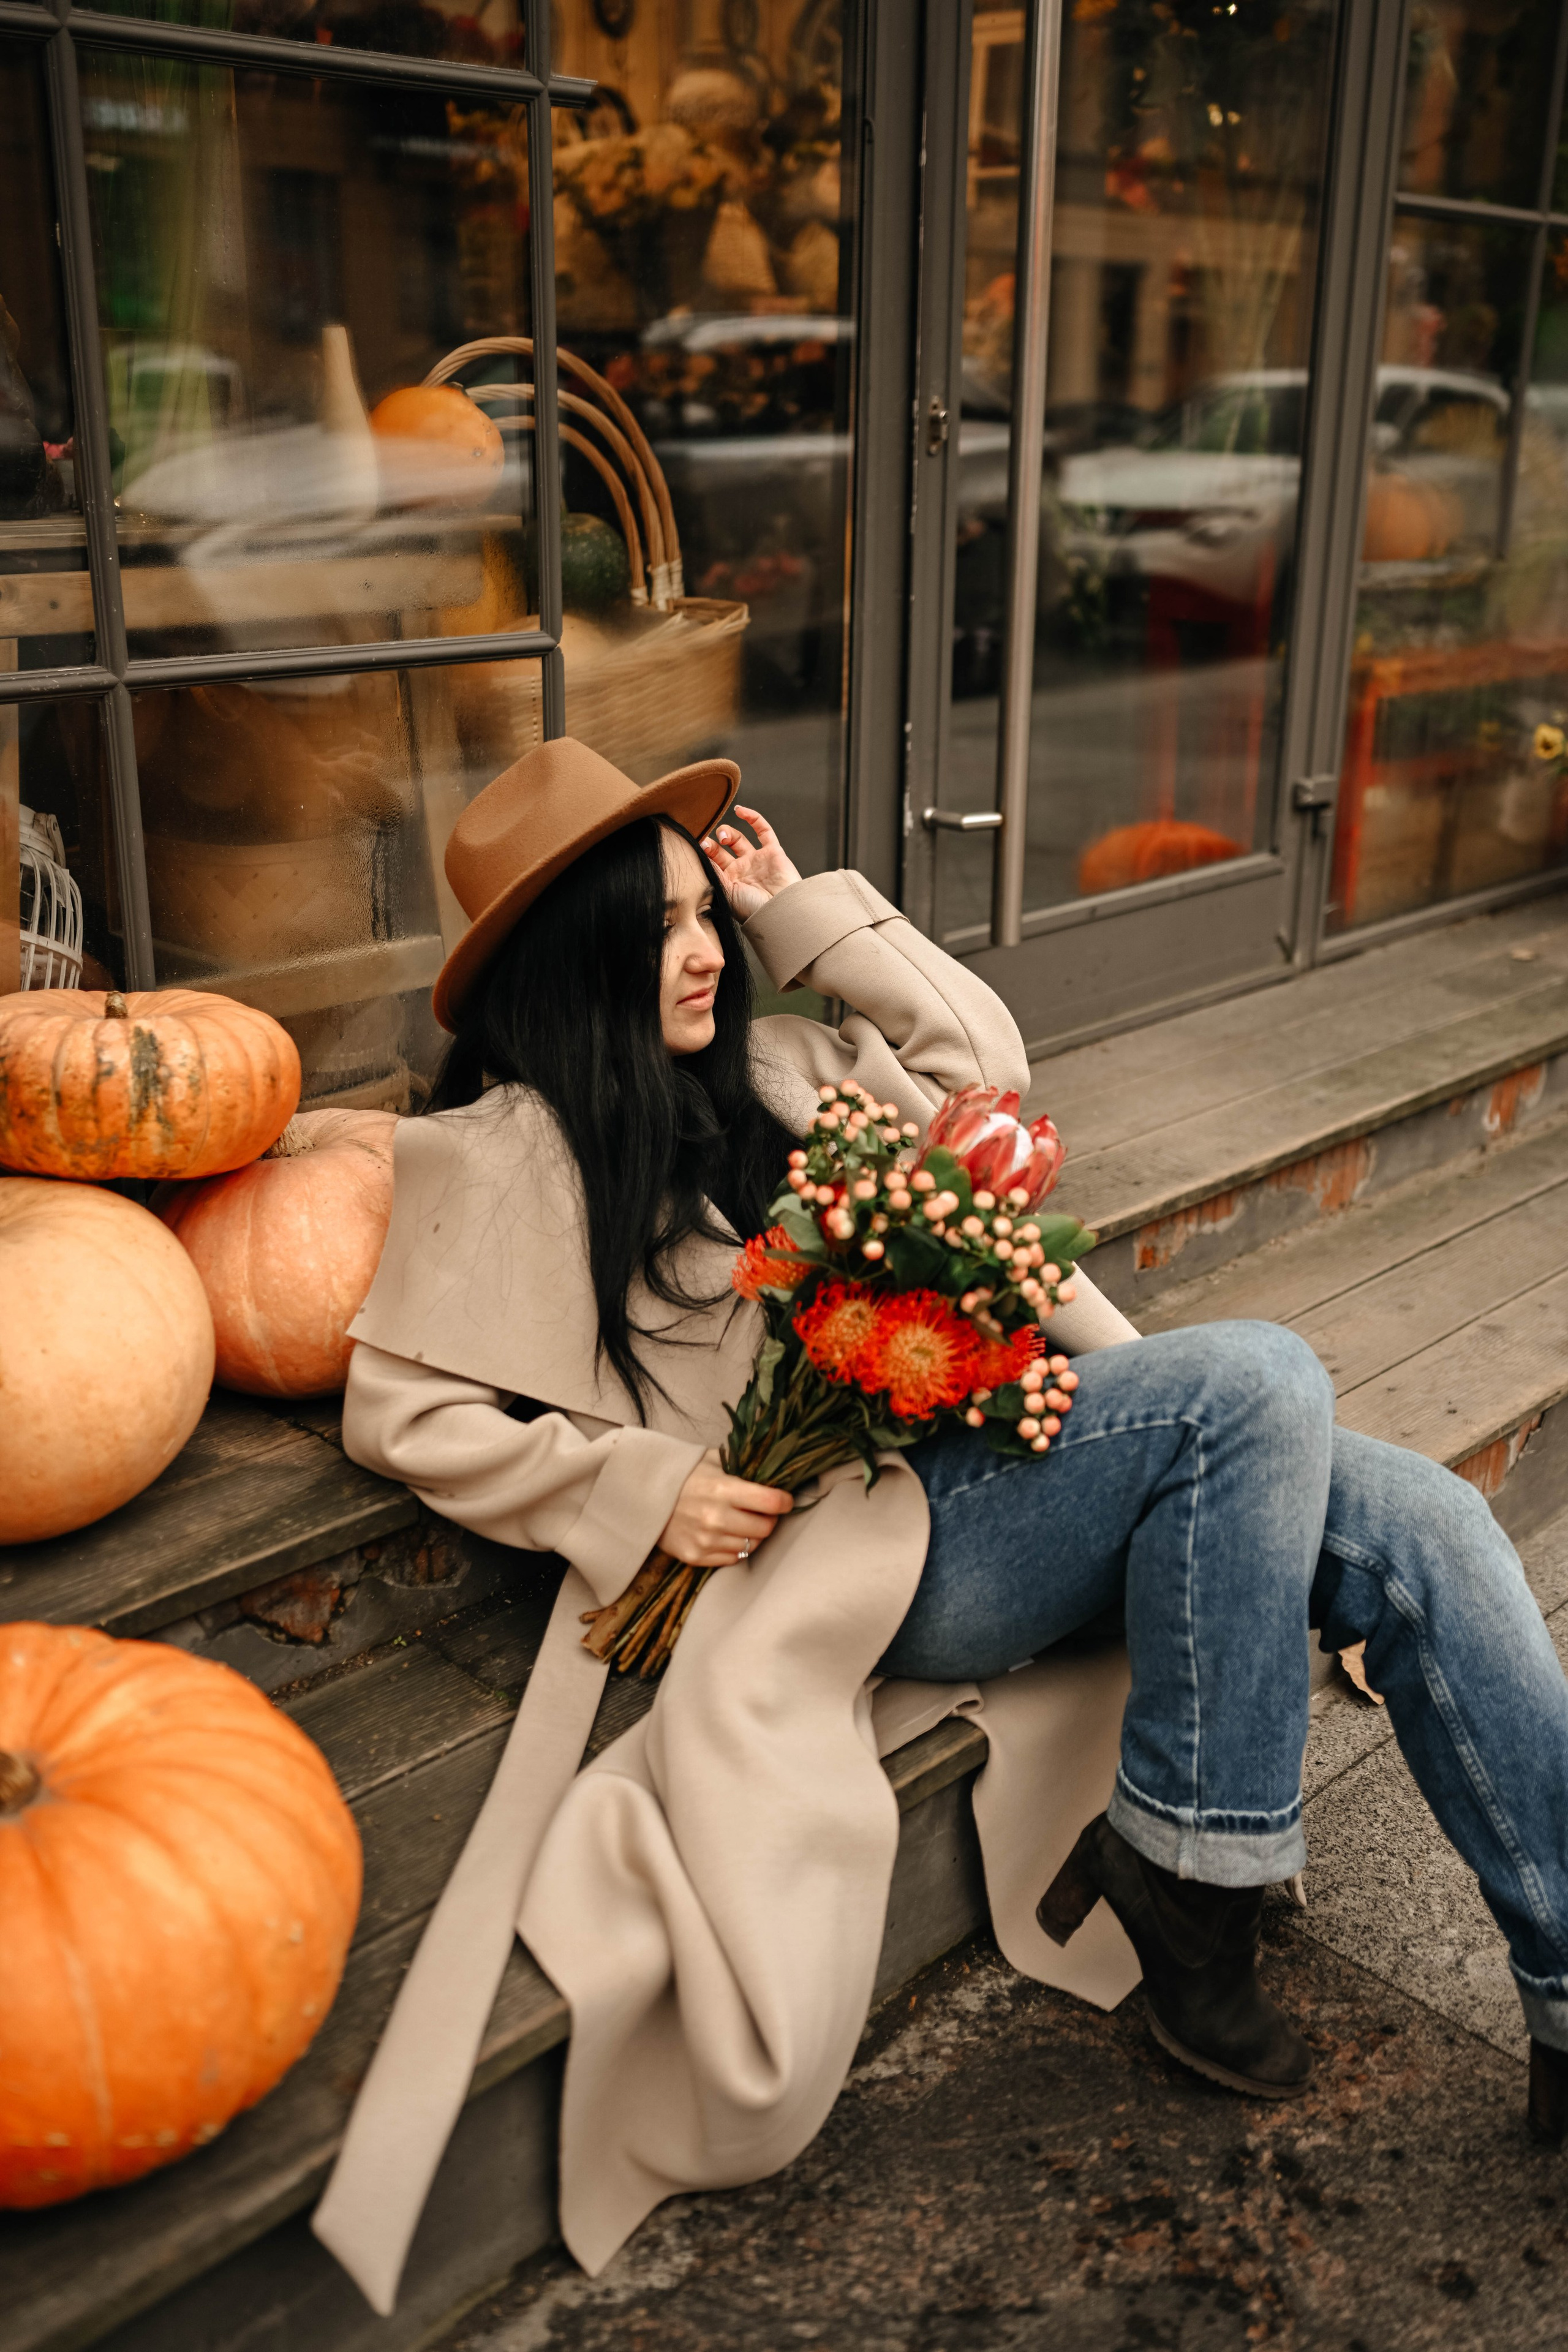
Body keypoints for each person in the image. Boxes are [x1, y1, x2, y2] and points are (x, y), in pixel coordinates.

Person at [341, 736, 1566, 2206]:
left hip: (1002, 1448)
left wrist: (803, 915)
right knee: (1250, 1384)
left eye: (701, 918)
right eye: (657, 927)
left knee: (1417, 1523)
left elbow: (981, 1069)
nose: (702, 955)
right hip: (876, 1550)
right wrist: (638, 1491)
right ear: (570, 959)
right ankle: (1195, 1875)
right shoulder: (506, 1154)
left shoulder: (778, 1068)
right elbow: (401, 1412)